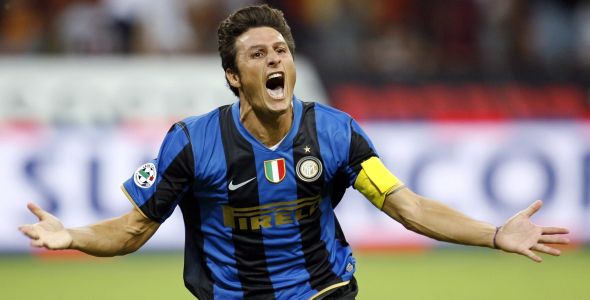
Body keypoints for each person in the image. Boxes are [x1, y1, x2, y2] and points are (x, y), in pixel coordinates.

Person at [19, 4, 570, 300]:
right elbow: (132, 230)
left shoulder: (335, 132)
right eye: (257, 54)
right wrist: (72, 237)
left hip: (324, 290)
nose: (274, 59)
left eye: (281, 49)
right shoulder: (190, 142)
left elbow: (410, 207)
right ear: (235, 77)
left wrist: (494, 234)